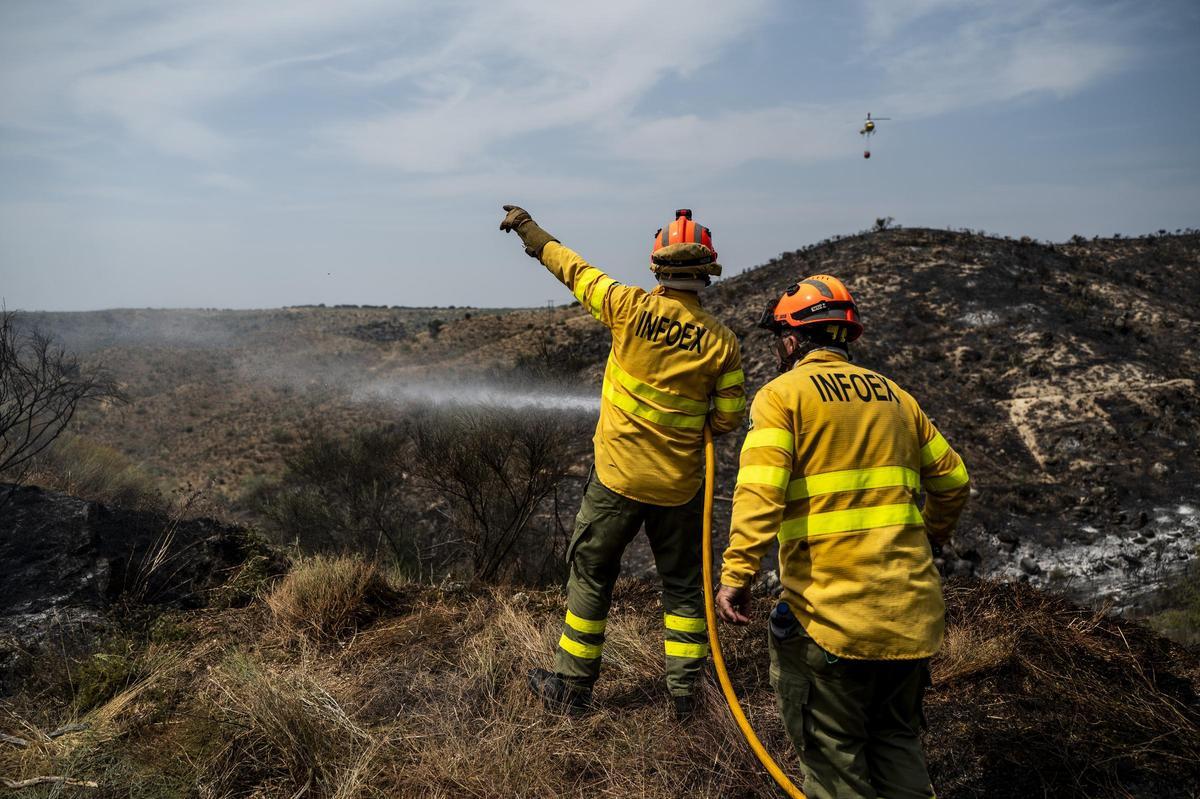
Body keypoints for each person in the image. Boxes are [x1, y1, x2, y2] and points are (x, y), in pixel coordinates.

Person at [715, 275, 970, 799]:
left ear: (791, 340)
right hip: (911, 618)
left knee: (835, 761)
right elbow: (954, 480)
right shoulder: (898, 398)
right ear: (844, 336)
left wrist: (736, 576)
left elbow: (760, 497)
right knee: (897, 743)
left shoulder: (781, 397)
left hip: (831, 624)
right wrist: (934, 535)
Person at [500, 205, 746, 720]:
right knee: (681, 586)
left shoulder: (627, 307)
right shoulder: (722, 343)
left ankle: (573, 687)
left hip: (616, 478)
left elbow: (572, 267)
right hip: (679, 487)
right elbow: (726, 420)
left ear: (657, 266)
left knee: (591, 573)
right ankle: (687, 699)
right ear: (706, 271)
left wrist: (528, 227)